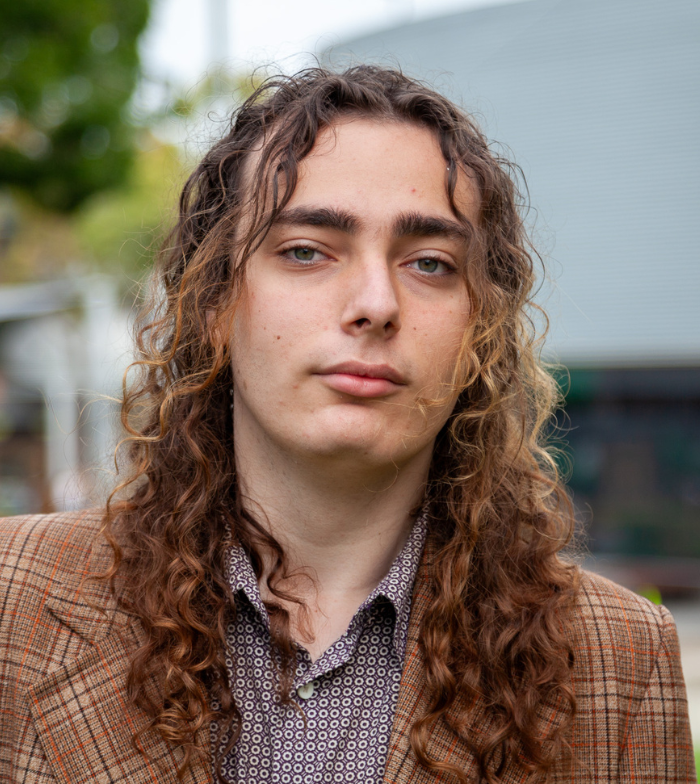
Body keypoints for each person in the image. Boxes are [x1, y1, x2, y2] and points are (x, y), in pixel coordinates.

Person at [0, 66, 694, 784]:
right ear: (215, 303)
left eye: (430, 263)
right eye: (307, 250)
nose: (376, 304)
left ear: (480, 330)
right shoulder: (11, 598)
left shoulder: (619, 659)